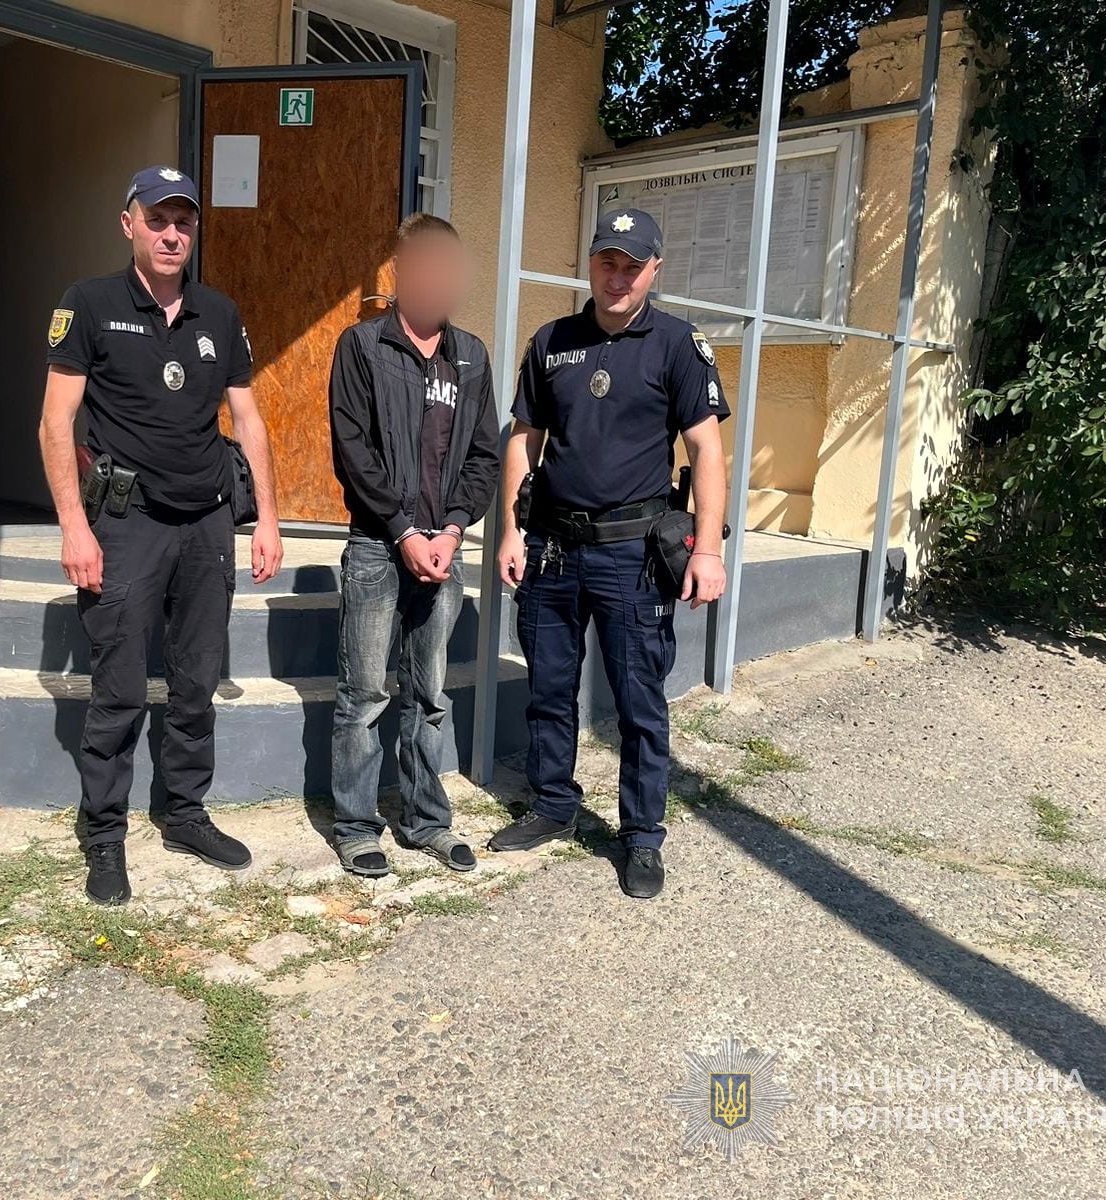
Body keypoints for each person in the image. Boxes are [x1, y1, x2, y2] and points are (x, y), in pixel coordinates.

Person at [38, 165, 284, 905]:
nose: (172, 233)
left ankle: (184, 814)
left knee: (196, 681)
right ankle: (104, 834)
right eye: (158, 219)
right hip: (126, 522)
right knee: (117, 687)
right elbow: (55, 424)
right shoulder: (88, 304)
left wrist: (267, 519)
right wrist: (74, 529)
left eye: (184, 221)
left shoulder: (220, 313)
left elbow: (248, 419)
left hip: (207, 520)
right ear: (129, 224)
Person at [488, 207, 729, 900]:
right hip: (554, 549)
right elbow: (523, 438)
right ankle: (552, 804)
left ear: (655, 269)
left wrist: (707, 550)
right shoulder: (552, 341)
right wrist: (511, 531)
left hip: (633, 555)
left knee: (638, 702)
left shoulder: (678, 344)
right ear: (590, 263)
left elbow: (706, 450)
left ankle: (642, 834)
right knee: (549, 688)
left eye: (631, 266)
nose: (617, 278)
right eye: (606, 262)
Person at [327, 214, 501, 877]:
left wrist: (452, 529)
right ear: (400, 271)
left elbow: (484, 457)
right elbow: (353, 450)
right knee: (365, 695)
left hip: (443, 552)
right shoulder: (363, 345)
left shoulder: (471, 356)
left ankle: (427, 821)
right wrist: (402, 529)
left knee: (429, 695)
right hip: (378, 547)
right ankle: (355, 827)